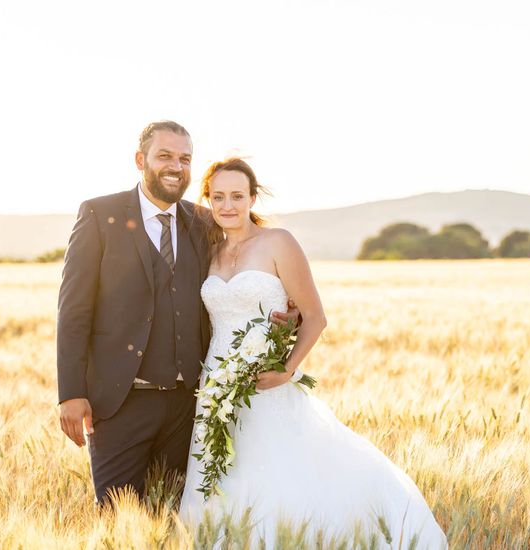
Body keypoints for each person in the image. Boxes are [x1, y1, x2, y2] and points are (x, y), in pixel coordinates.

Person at [178, 158, 448, 548]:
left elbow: (316, 317)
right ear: (208, 200)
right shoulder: (211, 253)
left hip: (267, 385)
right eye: (218, 197)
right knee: (221, 475)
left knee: (273, 475)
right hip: (215, 388)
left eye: (237, 196)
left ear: (252, 197)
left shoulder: (278, 243)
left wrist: (286, 370)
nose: (228, 205)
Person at [56, 121, 297, 505]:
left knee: (177, 520)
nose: (176, 166)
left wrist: (287, 310)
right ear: (141, 160)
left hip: (190, 407)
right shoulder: (100, 215)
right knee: (118, 520)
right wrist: (70, 393)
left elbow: (239, 273)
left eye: (185, 158)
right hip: (119, 403)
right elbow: (73, 311)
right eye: (164, 156)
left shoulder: (203, 221)